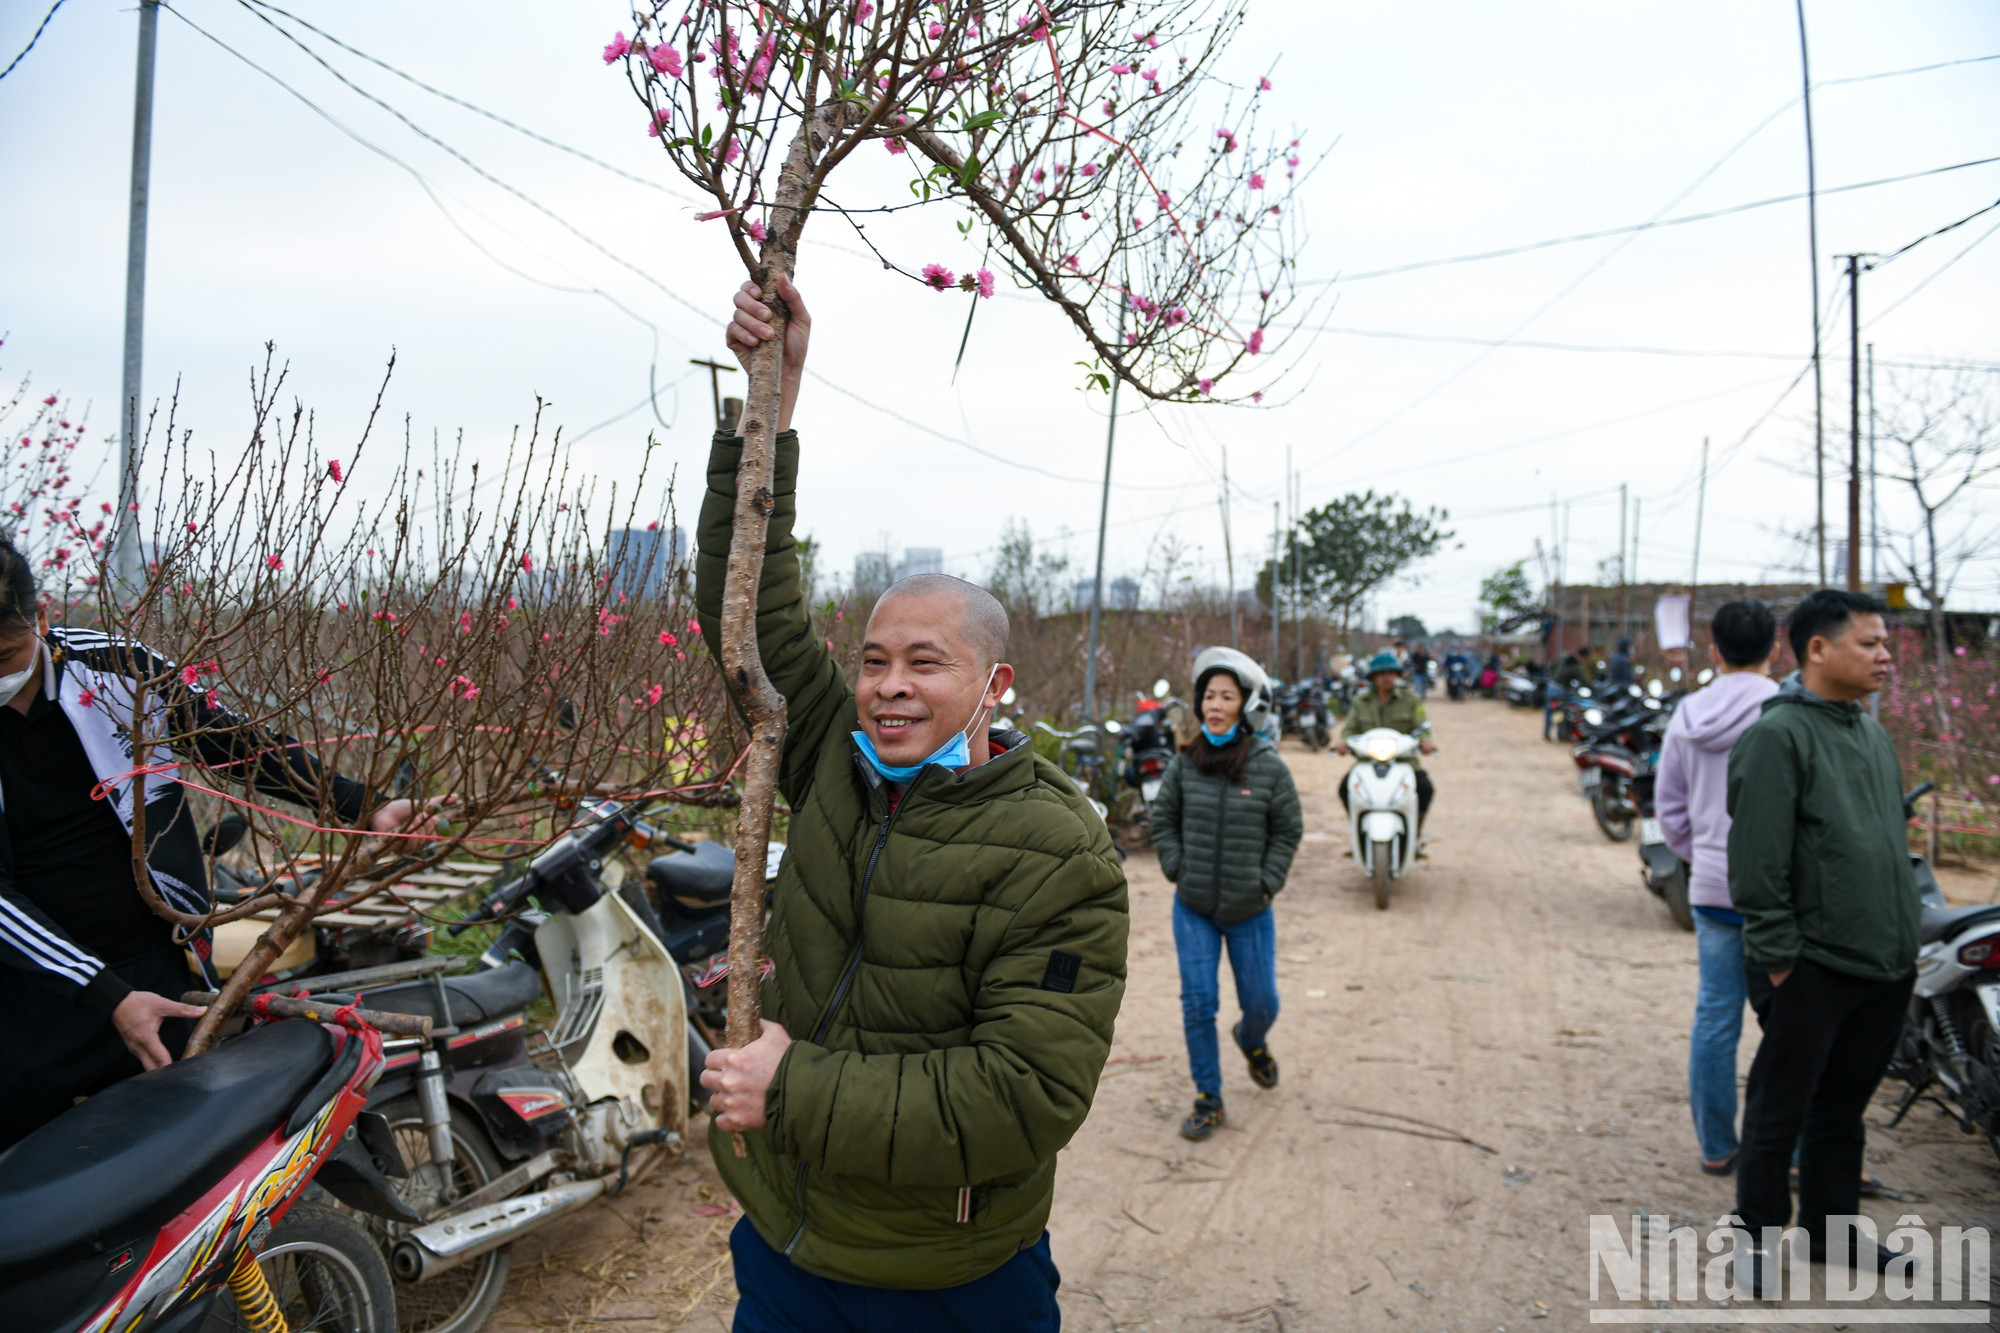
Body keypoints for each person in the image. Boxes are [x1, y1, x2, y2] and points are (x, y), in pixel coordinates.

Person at [700, 278, 1129, 1331]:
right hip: (786, 1243)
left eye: (924, 663)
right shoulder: (834, 769)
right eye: (874, 659)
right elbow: (745, 609)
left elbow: (1021, 1095)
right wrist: (770, 406)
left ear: (994, 685)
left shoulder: (1054, 847)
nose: (888, 683)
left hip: (950, 1272)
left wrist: (791, 1091)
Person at [0, 542, 437, 1146]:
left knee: (170, 1155)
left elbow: (232, 744)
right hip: (34, 990)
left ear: (42, 618)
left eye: (6, 654)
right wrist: (106, 995)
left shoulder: (118, 670)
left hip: (159, 962)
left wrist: (360, 804)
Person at [1727, 590, 1918, 1291]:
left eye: (1884, 643)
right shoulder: (1778, 736)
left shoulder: (1868, 733)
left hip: (1882, 962)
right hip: (1811, 966)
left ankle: (1830, 1233)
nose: (1884, 655)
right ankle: (1754, 1234)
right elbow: (1757, 862)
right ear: (1817, 649)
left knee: (1842, 1107)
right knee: (1781, 1106)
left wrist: (1903, 945)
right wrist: (1780, 961)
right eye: (1869, 642)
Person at [1149, 647, 1302, 1143]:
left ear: (1246, 705)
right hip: (1193, 907)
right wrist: (1176, 866)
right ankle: (1208, 1096)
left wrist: (1266, 881)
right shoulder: (1185, 762)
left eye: (1226, 696)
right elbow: (1162, 820)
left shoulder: (1267, 766)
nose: (1214, 705)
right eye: (1208, 696)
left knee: (1261, 1003)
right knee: (1199, 1003)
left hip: (1249, 909)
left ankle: (1252, 1041)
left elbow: (1288, 829)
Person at [1655, 601, 1781, 1177]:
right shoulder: (1786, 710)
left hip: (1711, 886)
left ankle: (1715, 1145)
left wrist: (1702, 856)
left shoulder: (1689, 713)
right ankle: (1790, 1149)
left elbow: (1669, 808)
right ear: (1775, 648)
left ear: (1714, 649)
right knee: (1790, 1023)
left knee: (1715, 1015)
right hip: (1779, 892)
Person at [1337, 652, 1436, 830]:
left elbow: (1422, 728)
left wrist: (1425, 742)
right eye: (1382, 674)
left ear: (1397, 675)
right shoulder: (1361, 701)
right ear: (1373, 677)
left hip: (1403, 761)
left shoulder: (1411, 700)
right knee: (1345, 788)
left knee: (1424, 788)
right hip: (1368, 761)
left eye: (1391, 673)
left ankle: (1415, 831)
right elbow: (1349, 729)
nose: (1387, 678)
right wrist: (1343, 742)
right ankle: (1359, 831)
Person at [1543, 649, 1586, 741]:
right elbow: (1585, 681)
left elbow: (1551, 667)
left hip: (1551, 687)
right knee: (1563, 711)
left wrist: (1552, 678)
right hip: (1561, 691)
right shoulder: (1575, 666)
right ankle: (1561, 735)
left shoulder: (1562, 659)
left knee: (1550, 711)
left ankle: (1546, 732)